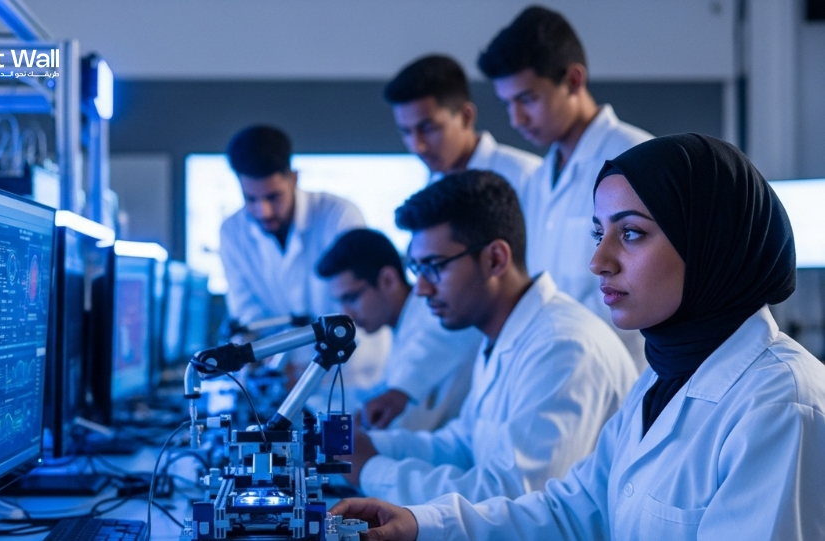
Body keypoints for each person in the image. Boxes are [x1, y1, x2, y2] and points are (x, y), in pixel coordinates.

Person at [332, 134, 825, 541]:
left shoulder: (779, 405)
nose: (599, 261)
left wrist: (374, 466)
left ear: (711, 240)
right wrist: (421, 524)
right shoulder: (663, 379)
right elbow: (575, 509)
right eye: (598, 233)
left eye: (630, 233)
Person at [343, 170, 637, 505]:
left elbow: (517, 499)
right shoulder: (502, 335)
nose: (422, 290)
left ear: (495, 259)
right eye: (417, 270)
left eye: (434, 267)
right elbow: (465, 445)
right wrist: (373, 446)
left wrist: (371, 470)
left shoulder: (563, 346)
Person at [477, 6, 653, 369]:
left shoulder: (638, 157)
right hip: (553, 367)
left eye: (527, 99)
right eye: (507, 103)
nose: (516, 119)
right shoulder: (540, 178)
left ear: (573, 80)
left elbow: (655, 280)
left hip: (622, 368)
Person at [316, 228, 482, 431]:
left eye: (352, 298)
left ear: (388, 280)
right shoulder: (404, 327)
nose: (347, 314)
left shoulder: (434, 317)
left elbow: (404, 414)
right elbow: (379, 394)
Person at [218, 125, 365, 326]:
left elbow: (356, 306)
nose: (264, 211)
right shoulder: (232, 232)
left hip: (352, 354)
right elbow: (248, 314)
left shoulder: (338, 216)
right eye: (250, 199)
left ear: (294, 178)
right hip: (279, 357)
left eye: (273, 197)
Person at [384, 54, 540, 190]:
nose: (418, 146)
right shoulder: (432, 187)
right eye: (406, 132)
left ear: (466, 116)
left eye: (428, 128)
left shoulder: (526, 177)